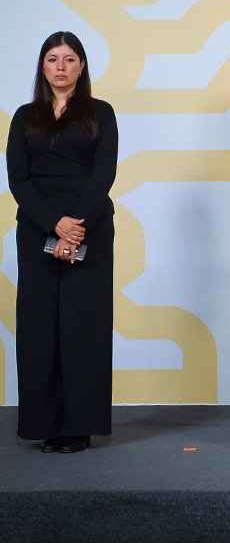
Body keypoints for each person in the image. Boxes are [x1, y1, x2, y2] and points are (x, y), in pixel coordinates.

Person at [6, 32, 118, 453]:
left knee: (83, 327)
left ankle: (79, 427)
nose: (60, 67)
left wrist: (75, 227)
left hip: (90, 226)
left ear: (81, 66)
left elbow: (104, 173)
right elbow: (19, 179)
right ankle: (47, 425)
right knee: (39, 328)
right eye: (53, 59)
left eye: (69, 59)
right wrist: (55, 225)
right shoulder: (25, 116)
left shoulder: (100, 112)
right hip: (38, 226)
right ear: (43, 65)